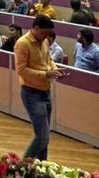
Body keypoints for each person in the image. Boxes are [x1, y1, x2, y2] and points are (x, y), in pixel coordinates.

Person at [14, 15, 63, 160]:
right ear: (36, 28)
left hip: (45, 91)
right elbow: (21, 70)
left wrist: (54, 69)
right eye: (44, 33)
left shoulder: (45, 41)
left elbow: (49, 59)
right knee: (43, 137)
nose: (47, 37)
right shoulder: (22, 43)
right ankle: (23, 165)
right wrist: (46, 74)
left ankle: (43, 167)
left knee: (44, 135)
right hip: (31, 93)